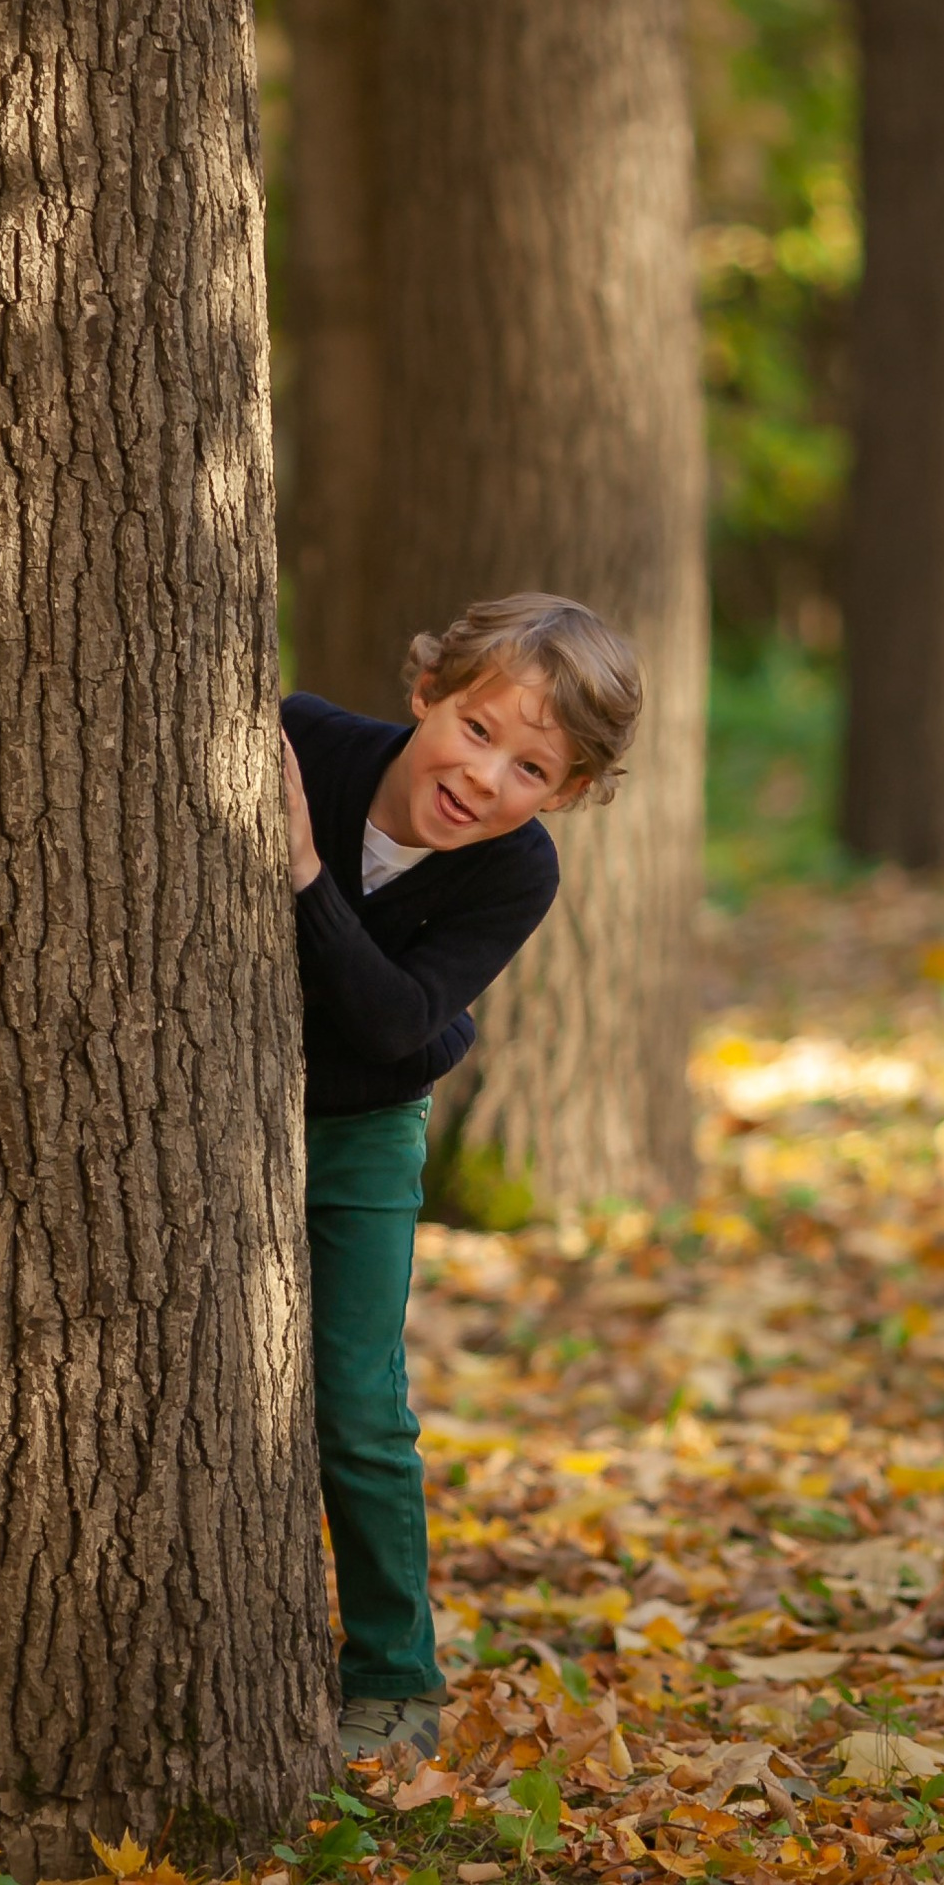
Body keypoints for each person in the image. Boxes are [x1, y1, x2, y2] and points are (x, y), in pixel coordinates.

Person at [281, 596, 642, 1763]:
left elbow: (390, 1024)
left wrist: (297, 875)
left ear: (567, 796)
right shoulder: (301, 746)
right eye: (477, 728)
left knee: (360, 1406)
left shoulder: (512, 876)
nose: (484, 777)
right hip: (225, 1125)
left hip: (365, 1133)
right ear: (427, 689)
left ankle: (394, 1675)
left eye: (531, 767)